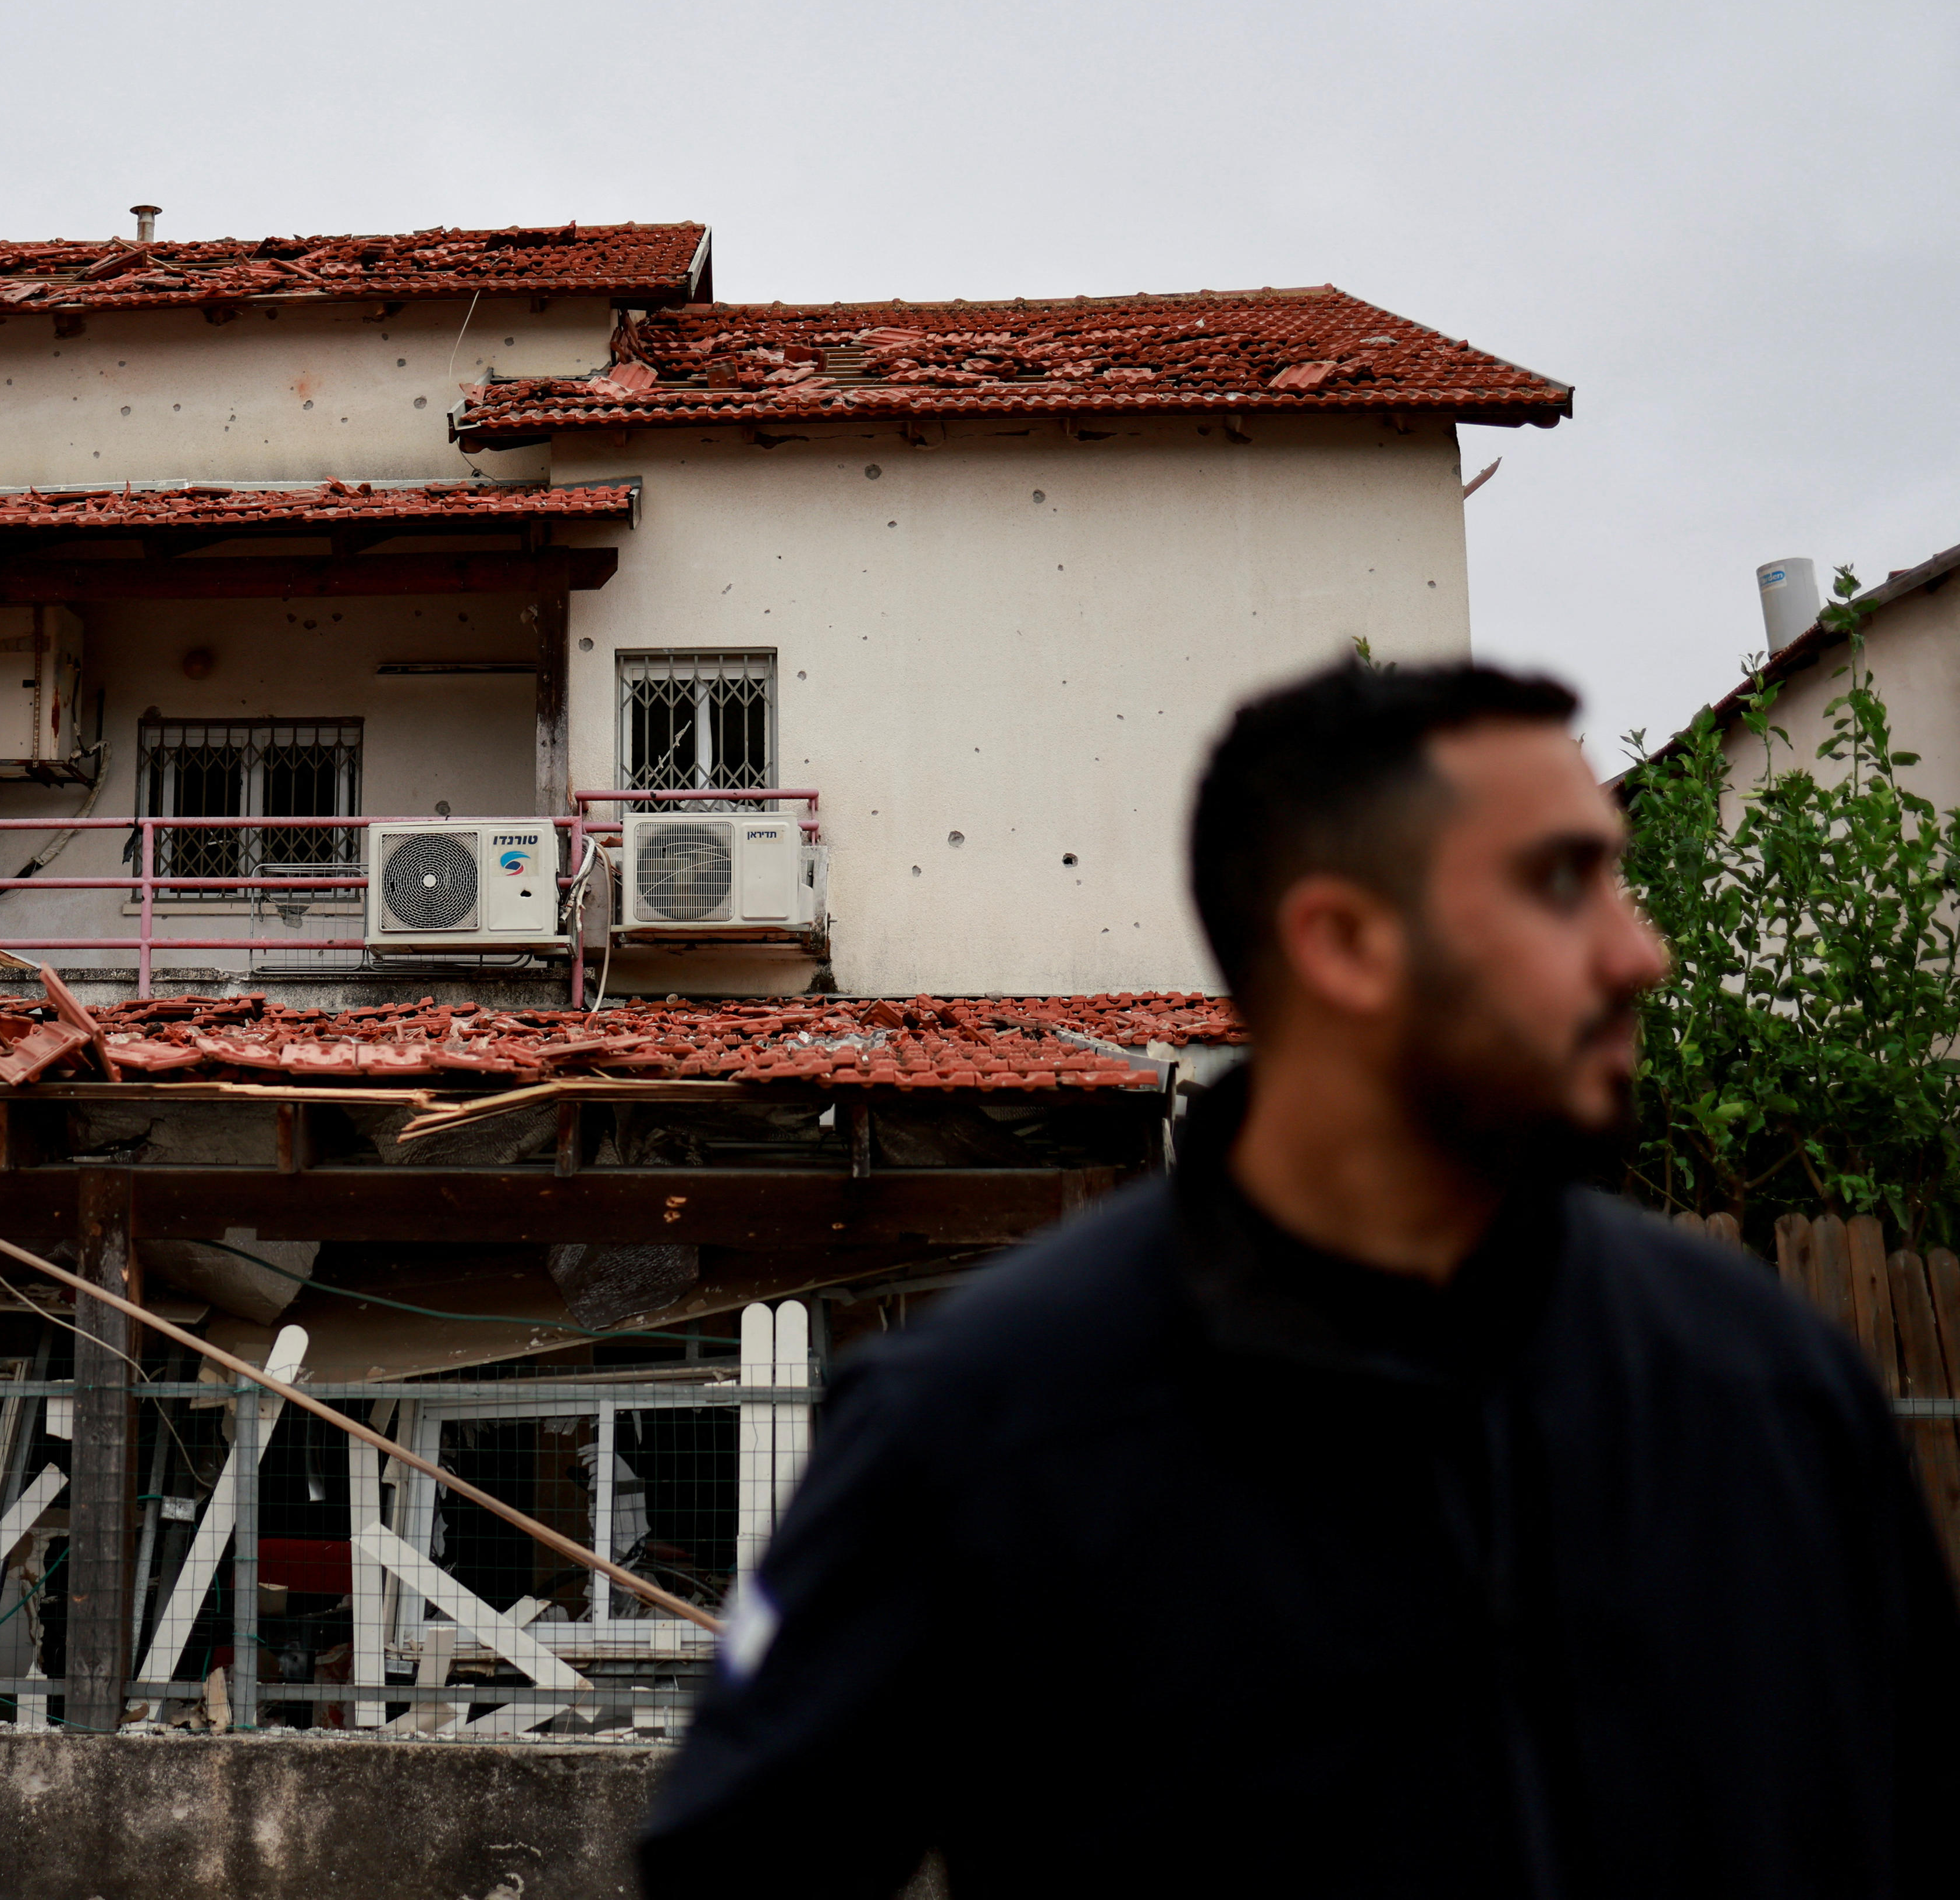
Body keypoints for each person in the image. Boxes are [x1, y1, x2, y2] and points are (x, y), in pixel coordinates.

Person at [641, 660, 1959, 1898]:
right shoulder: (979, 1423)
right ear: (1343, 942)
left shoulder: (1768, 1385)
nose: (1640, 954)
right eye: (1565, 883)